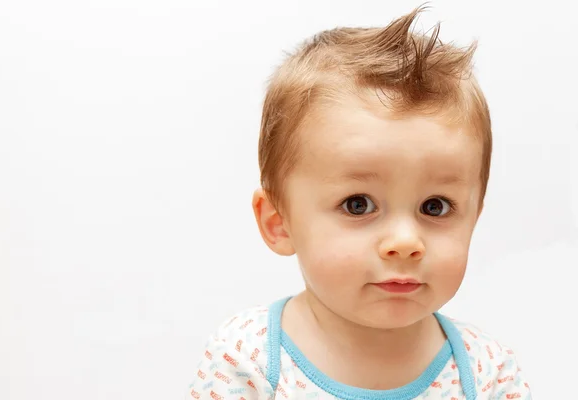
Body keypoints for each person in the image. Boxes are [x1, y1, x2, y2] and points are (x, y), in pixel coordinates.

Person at [186, 6, 531, 399]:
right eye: (358, 205)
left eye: (435, 206)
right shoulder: (247, 359)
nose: (405, 241)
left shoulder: (485, 370)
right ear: (278, 221)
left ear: (474, 217)